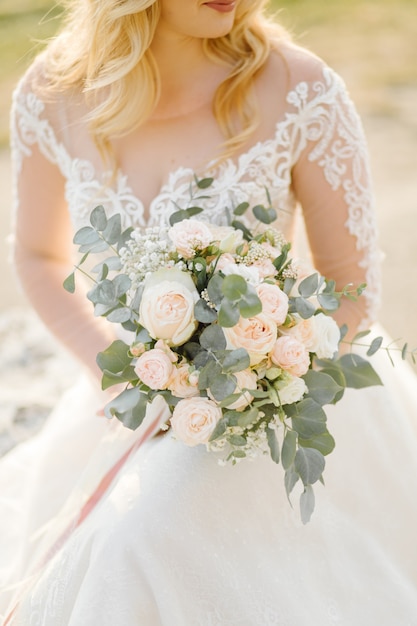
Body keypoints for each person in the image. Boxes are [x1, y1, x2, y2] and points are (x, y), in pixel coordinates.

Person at [1, 0, 417, 623]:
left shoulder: (301, 89)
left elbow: (350, 287)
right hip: (130, 395)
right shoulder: (53, 93)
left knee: (137, 540)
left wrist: (255, 380)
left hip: (279, 397)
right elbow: (36, 255)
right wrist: (119, 374)